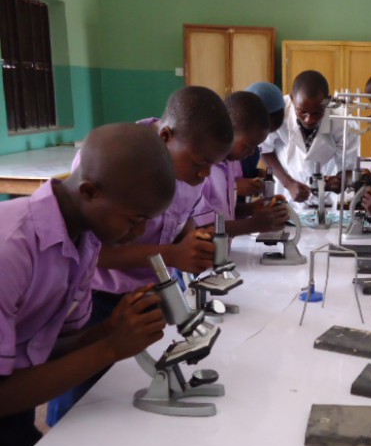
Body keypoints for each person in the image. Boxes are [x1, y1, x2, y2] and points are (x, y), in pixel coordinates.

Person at [47, 86, 234, 425]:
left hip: (145, 295)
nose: (205, 174)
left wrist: (194, 241)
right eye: (201, 163)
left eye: (213, 166)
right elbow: (94, 254)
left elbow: (183, 219)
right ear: (166, 135)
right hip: (95, 301)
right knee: (78, 400)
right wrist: (173, 254)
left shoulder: (189, 168)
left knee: (118, 401)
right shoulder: (113, 161)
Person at [0, 123, 176, 446]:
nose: (139, 234)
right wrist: (109, 348)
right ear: (90, 191)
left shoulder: (86, 239)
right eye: (135, 220)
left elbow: (49, 350)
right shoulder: (11, 249)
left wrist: (111, 329)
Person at [196, 91, 289, 235]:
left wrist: (252, 208)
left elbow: (223, 211)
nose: (252, 153)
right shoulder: (204, 171)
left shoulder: (231, 163)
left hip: (222, 253)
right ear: (227, 131)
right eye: (248, 146)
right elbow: (201, 228)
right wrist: (254, 224)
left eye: (256, 147)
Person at [260, 70, 359, 205]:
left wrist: (340, 180)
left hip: (325, 199)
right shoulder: (279, 113)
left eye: (317, 113)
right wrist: (288, 183)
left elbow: (348, 168)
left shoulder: (344, 122)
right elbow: (264, 150)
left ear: (328, 101)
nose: (309, 119)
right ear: (292, 99)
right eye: (302, 111)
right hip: (287, 193)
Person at [240, 82, 286, 183]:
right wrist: (236, 187)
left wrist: (256, 174)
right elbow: (209, 182)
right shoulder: (223, 146)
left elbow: (243, 172)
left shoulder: (253, 150)